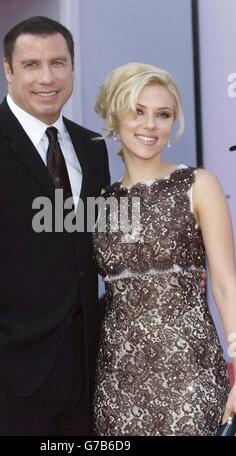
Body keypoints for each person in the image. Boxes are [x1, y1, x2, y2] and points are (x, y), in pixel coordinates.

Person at [0, 16, 110, 436]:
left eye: (58, 63)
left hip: (84, 374)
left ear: (72, 67)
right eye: (31, 65)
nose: (47, 77)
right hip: (2, 375)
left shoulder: (92, 147)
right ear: (8, 70)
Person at [92, 62, 236, 435]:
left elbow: (225, 285)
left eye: (163, 114)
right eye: (137, 112)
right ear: (115, 115)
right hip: (117, 380)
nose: (150, 125)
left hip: (191, 373)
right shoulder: (101, 201)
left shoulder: (198, 185)